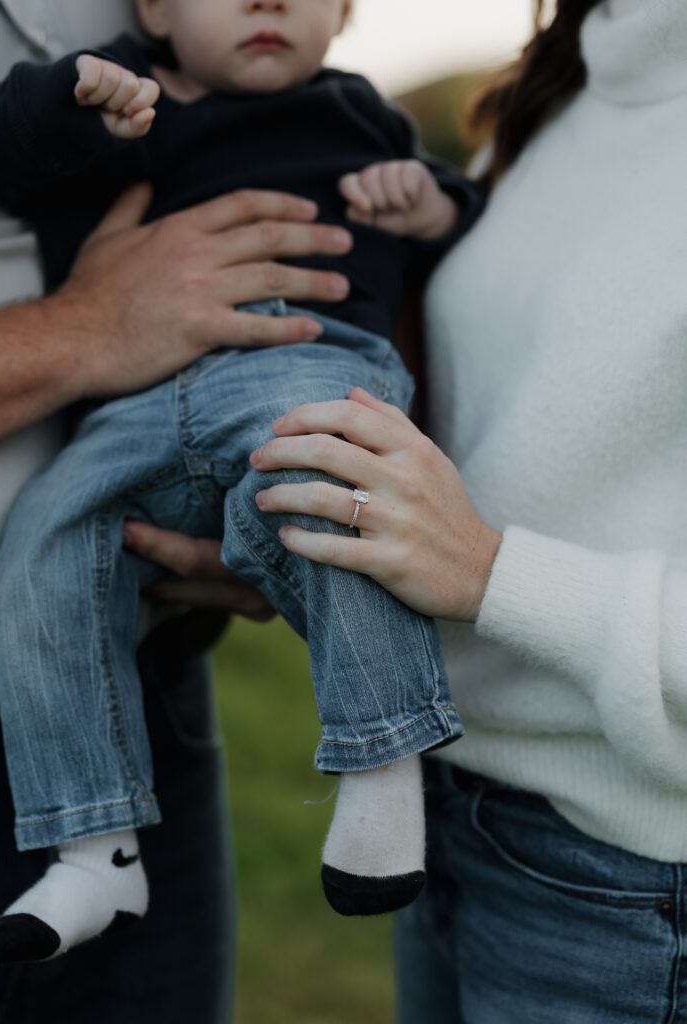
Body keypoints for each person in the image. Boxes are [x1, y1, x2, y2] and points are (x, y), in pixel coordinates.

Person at [0, 0, 485, 964]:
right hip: (130, 403)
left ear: (341, 15)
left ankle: (382, 774)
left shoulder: (356, 114)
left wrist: (429, 206)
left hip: (299, 356)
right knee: (40, 544)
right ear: (156, 8)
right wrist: (66, 94)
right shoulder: (120, 97)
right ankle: (92, 849)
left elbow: (459, 224)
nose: (265, 2)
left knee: (332, 485)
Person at [246, 0, 687, 1019]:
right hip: (447, 809)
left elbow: (482, 547)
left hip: (627, 882)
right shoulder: (566, 80)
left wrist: (494, 574)